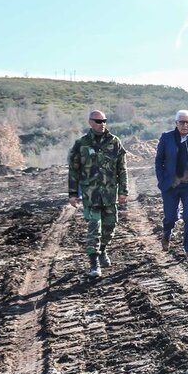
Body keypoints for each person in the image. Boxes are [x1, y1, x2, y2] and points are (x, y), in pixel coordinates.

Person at [67, 109, 128, 278]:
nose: (103, 124)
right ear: (90, 122)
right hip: (91, 195)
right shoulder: (81, 144)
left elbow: (122, 169)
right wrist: (73, 194)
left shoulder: (114, 142)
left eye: (105, 121)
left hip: (109, 195)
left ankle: (102, 251)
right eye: (99, 121)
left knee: (110, 226)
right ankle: (94, 264)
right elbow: (73, 171)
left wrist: (123, 191)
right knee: (95, 227)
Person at [155, 109, 188, 260]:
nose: (185, 125)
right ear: (176, 123)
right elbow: (159, 160)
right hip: (171, 186)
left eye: (187, 122)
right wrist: (162, 179)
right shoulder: (166, 138)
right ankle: (166, 234)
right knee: (171, 217)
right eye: (181, 122)